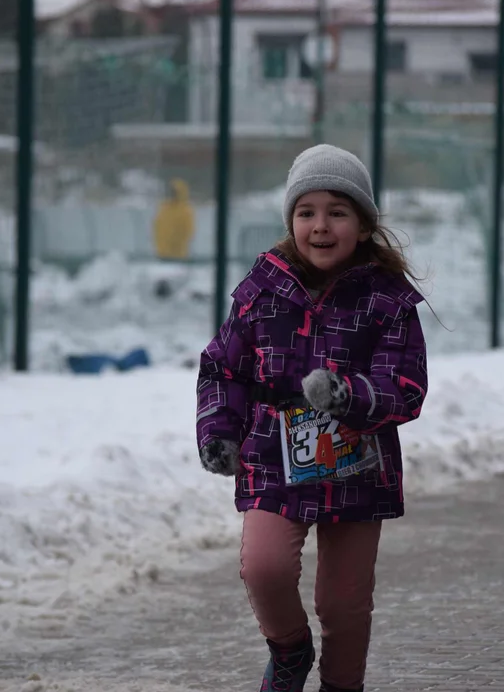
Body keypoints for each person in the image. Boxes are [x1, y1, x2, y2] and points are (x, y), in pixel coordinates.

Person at [195, 144, 429, 692]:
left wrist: (349, 396)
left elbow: (407, 387)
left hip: (357, 467)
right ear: (291, 220)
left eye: (337, 212)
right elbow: (221, 368)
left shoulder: (387, 300)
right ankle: (290, 651)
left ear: (364, 224)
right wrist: (218, 431)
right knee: (264, 568)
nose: (320, 227)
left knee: (343, 605)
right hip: (273, 459)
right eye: (307, 212)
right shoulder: (261, 291)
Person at [154, 178, 195, 260]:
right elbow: (158, 226)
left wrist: (178, 243)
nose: (172, 194)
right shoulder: (164, 208)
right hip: (162, 252)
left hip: (178, 253)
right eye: (171, 192)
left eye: (174, 192)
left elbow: (188, 230)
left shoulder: (185, 210)